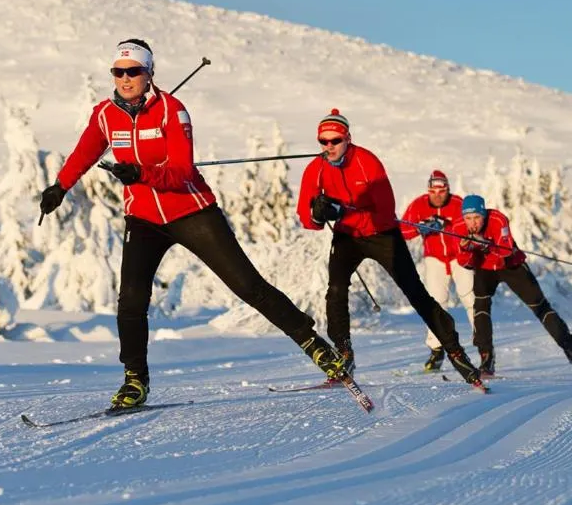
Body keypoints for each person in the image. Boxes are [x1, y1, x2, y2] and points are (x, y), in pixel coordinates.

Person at [39, 39, 348, 409]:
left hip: (191, 211)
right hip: (143, 217)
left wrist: (140, 172)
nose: (125, 79)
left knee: (248, 286)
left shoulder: (173, 111)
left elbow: (183, 172)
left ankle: (316, 347)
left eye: (133, 71)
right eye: (118, 72)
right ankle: (135, 380)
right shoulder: (105, 115)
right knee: (131, 301)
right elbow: (85, 151)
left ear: (149, 72)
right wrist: (60, 186)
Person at [296, 109, 484, 387]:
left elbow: (385, 212)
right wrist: (318, 214)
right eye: (323, 142)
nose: (328, 147)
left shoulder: (367, 162)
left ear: (348, 138)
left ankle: (454, 350)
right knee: (335, 290)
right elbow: (307, 219)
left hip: (381, 233)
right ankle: (344, 352)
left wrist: (341, 209)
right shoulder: (316, 168)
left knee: (416, 293)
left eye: (334, 140)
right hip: (347, 237)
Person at [451, 194, 572, 379]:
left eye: (477, 217)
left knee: (540, 306)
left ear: (484, 215)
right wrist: (466, 249)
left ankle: (571, 350)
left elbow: (504, 251)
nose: (473, 223)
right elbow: (465, 263)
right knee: (480, 305)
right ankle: (486, 357)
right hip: (485, 269)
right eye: (468, 218)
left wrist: (486, 245)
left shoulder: (498, 219)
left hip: (511, 265)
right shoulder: (457, 228)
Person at [400, 169, 475, 372]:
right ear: (428, 190)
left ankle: (483, 346)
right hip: (435, 259)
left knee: (470, 298)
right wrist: (421, 227)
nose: (438, 195)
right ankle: (436, 348)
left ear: (448, 190)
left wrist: (447, 227)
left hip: (459, 256)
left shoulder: (458, 203)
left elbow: (469, 227)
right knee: (435, 302)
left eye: (442, 191)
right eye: (434, 191)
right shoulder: (419, 205)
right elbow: (403, 231)